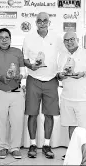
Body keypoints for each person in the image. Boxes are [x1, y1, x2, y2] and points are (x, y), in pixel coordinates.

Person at [22, 12, 63, 159]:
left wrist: (61, 71)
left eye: (45, 20)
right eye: (39, 20)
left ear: (49, 22)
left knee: (49, 114)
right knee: (32, 114)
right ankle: (32, 144)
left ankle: (46, 145)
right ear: (36, 22)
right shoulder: (28, 38)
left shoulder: (57, 38)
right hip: (33, 79)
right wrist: (30, 66)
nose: (42, 22)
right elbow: (24, 58)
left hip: (51, 80)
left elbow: (63, 56)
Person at [0, 28, 26, 159]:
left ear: (10, 39)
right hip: (0, 90)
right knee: (1, 120)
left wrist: (20, 76)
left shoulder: (17, 51)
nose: (4, 40)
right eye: (1, 37)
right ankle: (2, 147)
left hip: (17, 92)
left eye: (6, 37)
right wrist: (0, 78)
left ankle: (15, 148)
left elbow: (23, 71)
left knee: (17, 121)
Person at [57, 31, 86, 159]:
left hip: (84, 98)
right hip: (67, 97)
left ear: (77, 39)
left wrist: (83, 74)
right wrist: (60, 76)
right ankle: (73, 153)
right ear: (64, 43)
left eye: (72, 39)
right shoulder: (61, 55)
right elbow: (58, 75)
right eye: (66, 40)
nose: (69, 42)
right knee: (71, 126)